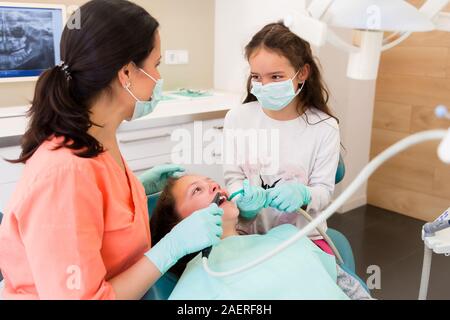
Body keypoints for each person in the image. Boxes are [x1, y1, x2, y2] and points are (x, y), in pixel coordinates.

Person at [0, 0, 221, 300]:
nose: (158, 79)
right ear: (126, 73)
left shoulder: (99, 134)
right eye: (156, 65)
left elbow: (91, 217)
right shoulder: (64, 173)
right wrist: (172, 246)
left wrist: (137, 191)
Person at [150, 174, 372, 300]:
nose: (213, 185)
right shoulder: (196, 280)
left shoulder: (285, 236)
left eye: (209, 181)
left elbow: (346, 286)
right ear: (179, 226)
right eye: (196, 190)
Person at [223, 22, 341, 253]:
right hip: (250, 233)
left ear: (302, 73)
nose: (264, 86)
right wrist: (243, 203)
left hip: (305, 237)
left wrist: (304, 194)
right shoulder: (238, 118)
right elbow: (233, 179)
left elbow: (323, 191)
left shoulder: (324, 127)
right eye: (257, 77)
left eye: (276, 77)